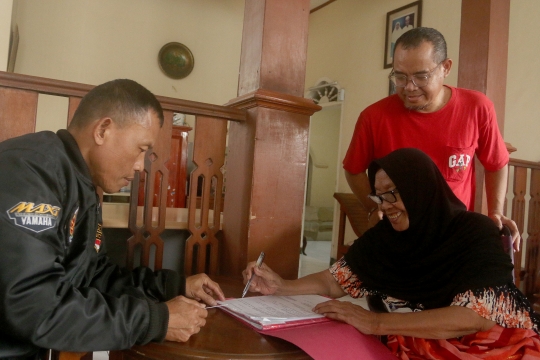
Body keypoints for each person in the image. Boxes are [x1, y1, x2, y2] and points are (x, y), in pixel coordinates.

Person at [0, 79, 225, 358]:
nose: (140, 166)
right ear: (103, 130)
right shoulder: (29, 171)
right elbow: (33, 307)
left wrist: (174, 287)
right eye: (141, 149)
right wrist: (155, 321)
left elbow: (95, 275)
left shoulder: (82, 183)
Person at [243, 148, 540, 359]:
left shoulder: (475, 232)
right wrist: (282, 286)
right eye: (378, 196)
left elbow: (472, 318)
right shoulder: (385, 238)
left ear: (420, 189)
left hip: (487, 346)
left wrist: (375, 323)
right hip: (415, 342)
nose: (384, 206)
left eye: (392, 194)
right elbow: (337, 280)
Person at [343, 27, 520, 248]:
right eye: (400, 76)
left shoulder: (477, 107)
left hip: (454, 238)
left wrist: (496, 211)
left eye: (420, 76)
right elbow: (353, 169)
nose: (409, 87)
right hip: (399, 238)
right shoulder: (373, 117)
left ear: (445, 68)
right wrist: (374, 206)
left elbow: (496, 163)